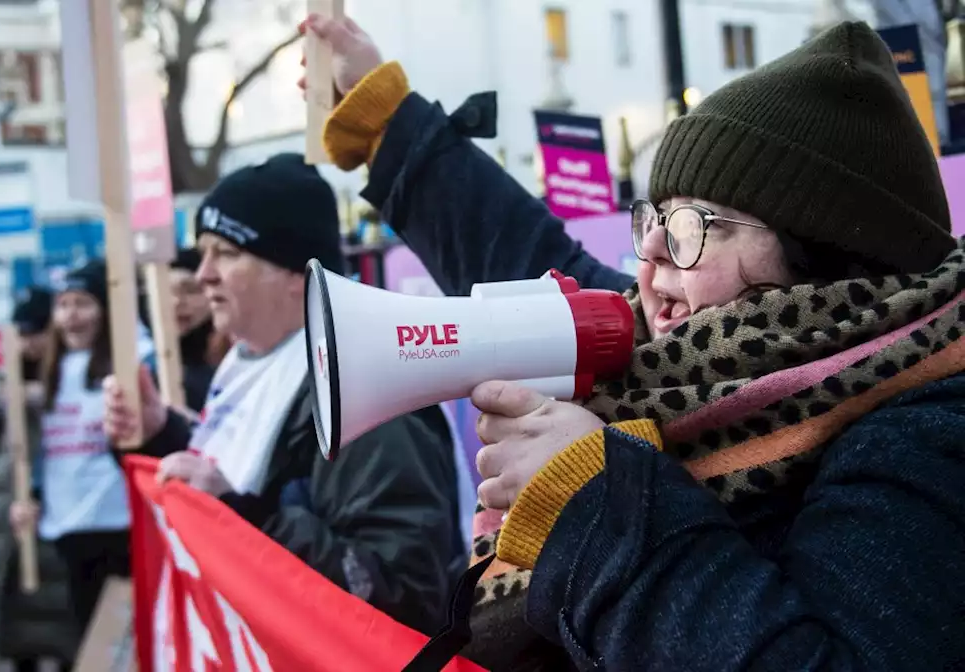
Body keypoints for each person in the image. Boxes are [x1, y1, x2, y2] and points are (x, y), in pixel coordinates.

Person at [304, 14, 965, 671]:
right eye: (651, 217)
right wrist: (389, 124)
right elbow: (516, 245)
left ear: (822, 251)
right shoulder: (680, 358)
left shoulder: (922, 439)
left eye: (691, 224)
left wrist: (597, 507)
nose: (648, 254)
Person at [104, 153, 469, 635]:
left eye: (227, 253)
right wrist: (160, 435)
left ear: (297, 276)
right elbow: (252, 471)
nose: (203, 274)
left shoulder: (367, 394)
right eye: (204, 252)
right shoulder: (252, 364)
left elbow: (399, 593)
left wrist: (239, 517)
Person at [9, 261, 137, 639]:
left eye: (83, 303)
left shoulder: (126, 364)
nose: (72, 315)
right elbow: (43, 450)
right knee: (89, 636)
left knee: (127, 636)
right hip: (68, 523)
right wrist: (30, 495)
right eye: (63, 305)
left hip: (118, 520)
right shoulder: (50, 371)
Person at [0, 286, 81, 672]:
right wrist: (3, 398)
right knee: (21, 630)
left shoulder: (71, 375)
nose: (28, 343)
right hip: (14, 525)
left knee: (61, 624)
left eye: (35, 331)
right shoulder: (5, 381)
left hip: (55, 521)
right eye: (20, 333)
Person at [169, 248, 232, 413]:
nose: (176, 302)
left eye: (190, 290)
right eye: (167, 291)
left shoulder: (233, 359)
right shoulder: (150, 366)